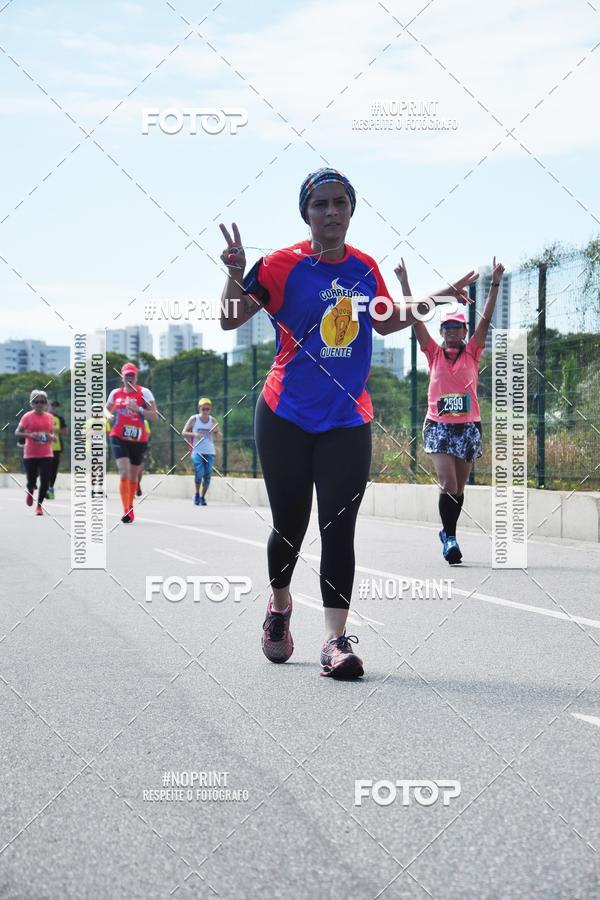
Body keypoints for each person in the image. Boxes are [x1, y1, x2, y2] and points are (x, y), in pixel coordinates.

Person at [219, 167, 478, 678]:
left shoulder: (364, 267)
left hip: (347, 418)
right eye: (321, 205)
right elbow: (230, 318)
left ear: (351, 210)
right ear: (306, 214)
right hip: (285, 414)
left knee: (339, 528)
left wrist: (441, 293)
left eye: (340, 203)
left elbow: (386, 317)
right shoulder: (280, 265)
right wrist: (234, 271)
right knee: (290, 525)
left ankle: (335, 641)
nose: (332, 212)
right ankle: (279, 606)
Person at [395, 256, 505, 564]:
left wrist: (494, 282)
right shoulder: (432, 354)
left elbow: (485, 319)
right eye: (448, 328)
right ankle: (452, 540)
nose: (454, 332)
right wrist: (404, 282)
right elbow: (416, 319)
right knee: (448, 483)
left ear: (464, 331)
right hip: (439, 426)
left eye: (458, 327)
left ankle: (448, 531)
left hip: (469, 426)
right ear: (442, 332)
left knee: (459, 489)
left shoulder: (473, 352)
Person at [105, 363, 159, 523]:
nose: (129, 378)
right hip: (118, 436)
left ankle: (131, 506)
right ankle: (126, 510)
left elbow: (154, 416)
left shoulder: (144, 392)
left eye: (132, 376)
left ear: (136, 377)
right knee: (124, 472)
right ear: (122, 377)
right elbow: (105, 409)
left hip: (138, 438)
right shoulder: (115, 393)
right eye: (126, 375)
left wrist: (139, 409)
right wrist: (108, 415)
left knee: (134, 476)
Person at [15, 390, 56, 515]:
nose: (40, 404)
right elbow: (17, 432)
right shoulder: (27, 416)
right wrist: (29, 434)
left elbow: (51, 433)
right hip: (30, 453)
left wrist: (52, 437)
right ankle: (30, 489)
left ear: (46, 403)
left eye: (43, 402)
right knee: (31, 479)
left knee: (45, 480)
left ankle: (39, 506)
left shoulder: (49, 417)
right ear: (32, 403)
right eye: (37, 402)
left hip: (46, 453)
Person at [182, 398, 221, 506]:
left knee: (207, 474)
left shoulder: (213, 421)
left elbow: (219, 437)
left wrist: (216, 432)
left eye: (207, 409)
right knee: (199, 473)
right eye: (203, 409)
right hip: (197, 451)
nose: (205, 411)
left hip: (209, 451)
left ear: (210, 409)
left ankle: (203, 497)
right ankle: (197, 494)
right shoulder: (194, 419)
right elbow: (183, 432)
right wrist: (195, 434)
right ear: (199, 409)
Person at [47, 400, 68, 499]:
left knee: (53, 470)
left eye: (56, 406)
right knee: (44, 468)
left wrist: (55, 429)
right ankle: (44, 486)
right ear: (48, 406)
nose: (54, 407)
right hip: (43, 447)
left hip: (56, 448)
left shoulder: (60, 419)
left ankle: (50, 488)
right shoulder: (43, 416)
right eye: (52, 406)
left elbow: (65, 432)